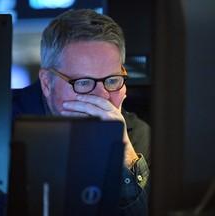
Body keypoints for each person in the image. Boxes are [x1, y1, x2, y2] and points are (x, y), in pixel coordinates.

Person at [12, 9, 150, 215]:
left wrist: (125, 156)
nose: (102, 96)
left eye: (112, 80)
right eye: (84, 82)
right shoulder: (1, 123)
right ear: (47, 83)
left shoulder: (134, 132)